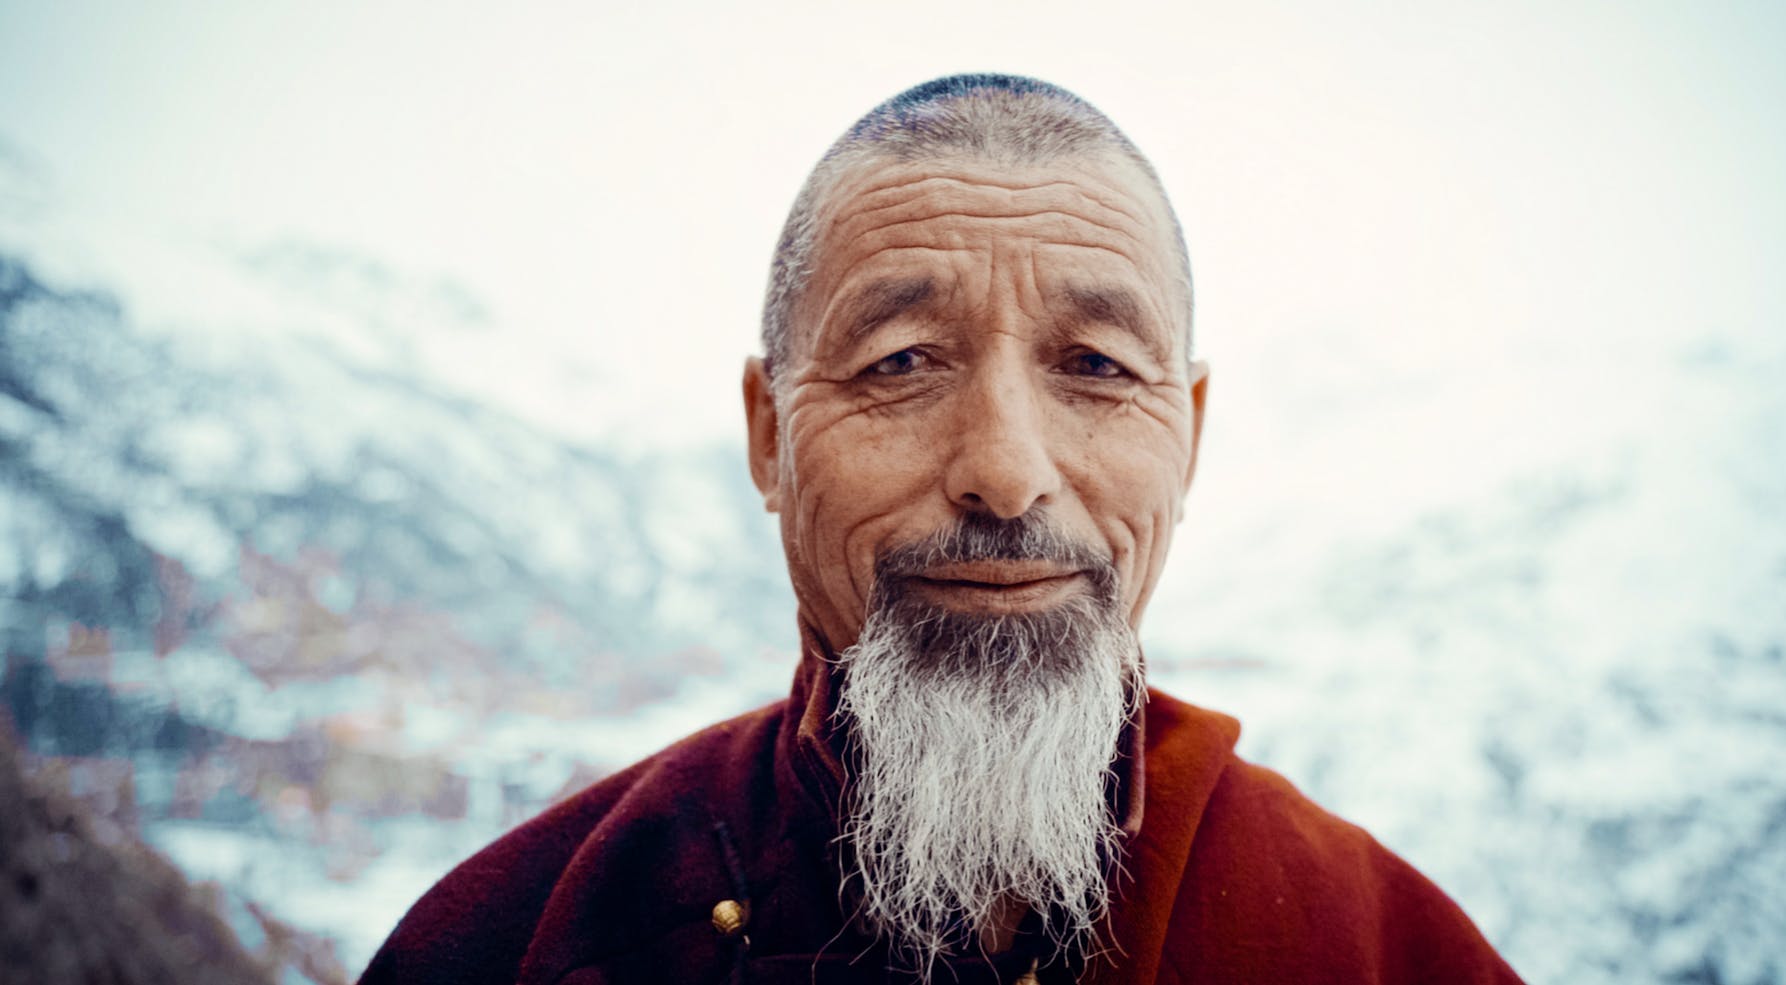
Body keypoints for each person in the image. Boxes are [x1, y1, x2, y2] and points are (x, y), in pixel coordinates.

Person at [359, 74, 1524, 985]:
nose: (1006, 473)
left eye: (1095, 366)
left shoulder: (1371, 944)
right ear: (768, 434)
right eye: (900, 361)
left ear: (1191, 433)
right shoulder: (522, 940)